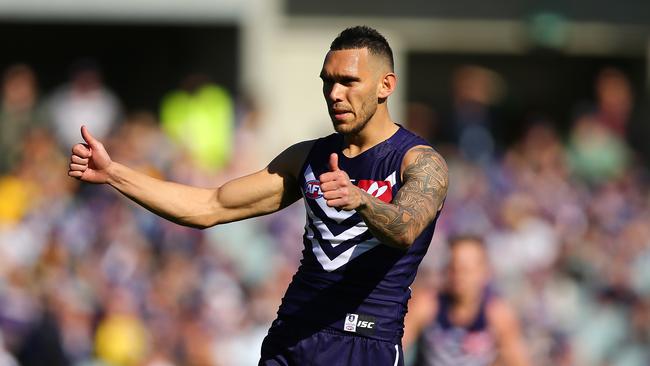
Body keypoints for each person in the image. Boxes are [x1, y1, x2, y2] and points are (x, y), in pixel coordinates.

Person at [68, 26, 448, 366]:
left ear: (386, 85)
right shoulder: (308, 156)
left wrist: (362, 200)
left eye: (349, 81)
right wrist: (113, 173)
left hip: (363, 344)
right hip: (292, 336)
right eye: (327, 81)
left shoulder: (418, 162)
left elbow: (406, 228)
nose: (334, 94)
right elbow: (209, 206)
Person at [404, 235, 529, 366]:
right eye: (454, 268)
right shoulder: (428, 304)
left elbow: (519, 360)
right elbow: (395, 346)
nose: (459, 276)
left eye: (466, 270)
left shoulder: (498, 314)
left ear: (485, 272)